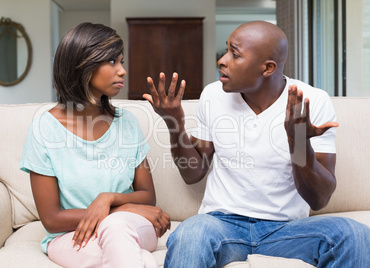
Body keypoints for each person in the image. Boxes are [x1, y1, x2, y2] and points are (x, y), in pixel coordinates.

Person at [143, 21, 370, 267]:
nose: (222, 60)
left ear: (268, 68)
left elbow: (319, 199)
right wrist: (174, 122)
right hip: (222, 224)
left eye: (235, 54)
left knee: (354, 234)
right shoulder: (213, 94)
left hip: (288, 230)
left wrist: (297, 142)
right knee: (190, 233)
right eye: (226, 50)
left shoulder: (312, 100)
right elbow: (193, 173)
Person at [20, 22, 170, 268]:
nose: (122, 71)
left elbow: (148, 196)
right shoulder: (44, 129)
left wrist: (107, 198)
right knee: (136, 258)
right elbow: (52, 219)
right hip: (72, 235)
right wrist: (116, 210)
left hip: (131, 226)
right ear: (82, 65)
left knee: (117, 227)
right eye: (111, 61)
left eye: (121, 61)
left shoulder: (127, 123)